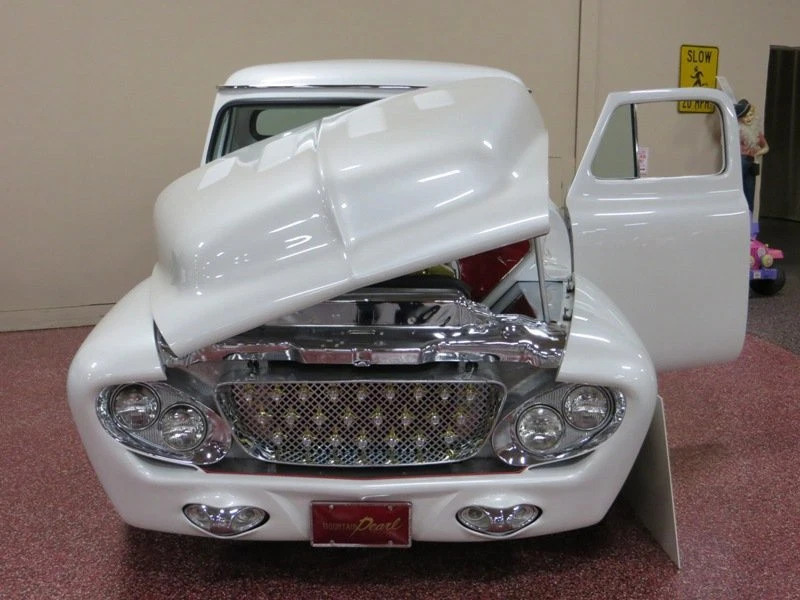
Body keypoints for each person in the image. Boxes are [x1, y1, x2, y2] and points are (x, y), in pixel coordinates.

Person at [735, 98, 769, 213]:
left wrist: (756, 153)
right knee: (739, 192)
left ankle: (751, 226)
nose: (748, 118)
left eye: (750, 115)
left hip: (751, 163)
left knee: (750, 193)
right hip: (740, 162)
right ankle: (741, 222)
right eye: (745, 116)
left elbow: (766, 147)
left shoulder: (756, 132)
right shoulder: (737, 131)